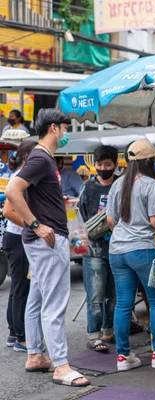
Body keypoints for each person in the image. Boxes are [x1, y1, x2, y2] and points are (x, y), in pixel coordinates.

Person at [5, 108, 90, 387]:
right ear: (54, 128)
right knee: (55, 303)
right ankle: (61, 366)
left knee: (39, 298)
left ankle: (36, 355)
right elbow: (12, 192)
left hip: (44, 240)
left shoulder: (44, 158)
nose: (66, 134)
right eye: (65, 128)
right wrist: (35, 225)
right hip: (47, 241)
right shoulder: (41, 157)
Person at [106, 140, 155, 371]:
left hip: (117, 250)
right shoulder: (151, 184)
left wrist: (124, 235)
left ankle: (123, 357)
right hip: (144, 249)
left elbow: (111, 221)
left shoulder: (117, 184)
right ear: (149, 162)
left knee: (123, 304)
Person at [79, 145, 119, 352]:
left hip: (117, 249)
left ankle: (108, 330)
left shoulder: (121, 185)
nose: (103, 168)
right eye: (99, 164)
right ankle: (93, 335)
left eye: (108, 164)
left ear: (115, 164)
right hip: (93, 250)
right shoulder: (88, 187)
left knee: (112, 297)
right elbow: (81, 217)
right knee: (95, 296)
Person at [3, 142, 36, 352]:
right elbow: (8, 211)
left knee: (18, 286)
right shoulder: (20, 177)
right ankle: (21, 338)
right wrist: (34, 225)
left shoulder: (24, 175)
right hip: (17, 238)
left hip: (17, 238)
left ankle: (14, 332)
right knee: (20, 287)